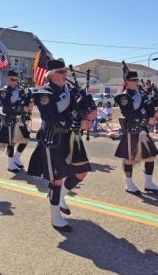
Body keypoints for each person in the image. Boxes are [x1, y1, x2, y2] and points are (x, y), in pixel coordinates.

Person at [28, 59, 95, 232]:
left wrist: (87, 111)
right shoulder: (43, 94)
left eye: (65, 71)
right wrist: (78, 123)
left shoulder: (69, 90)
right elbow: (52, 119)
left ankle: (60, 196)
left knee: (81, 172)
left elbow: (74, 109)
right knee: (56, 180)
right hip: (53, 140)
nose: (64, 74)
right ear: (50, 75)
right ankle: (55, 216)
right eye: (60, 72)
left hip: (71, 138)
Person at [114, 71, 158, 195]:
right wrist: (148, 119)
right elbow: (130, 115)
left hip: (143, 130)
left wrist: (156, 111)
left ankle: (149, 183)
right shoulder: (123, 97)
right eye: (134, 80)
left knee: (150, 157)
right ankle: (129, 184)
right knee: (130, 159)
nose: (137, 82)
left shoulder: (141, 94)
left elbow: (148, 108)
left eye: (137, 80)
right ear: (126, 82)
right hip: (132, 131)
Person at [0, 70, 33, 172]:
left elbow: (25, 101)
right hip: (10, 118)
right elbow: (7, 107)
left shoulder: (20, 90)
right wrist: (22, 109)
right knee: (11, 142)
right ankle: (10, 163)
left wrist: (29, 104)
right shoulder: (3, 91)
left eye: (16, 80)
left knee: (26, 139)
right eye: (12, 79)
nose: (15, 82)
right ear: (7, 79)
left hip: (20, 118)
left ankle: (17, 157)